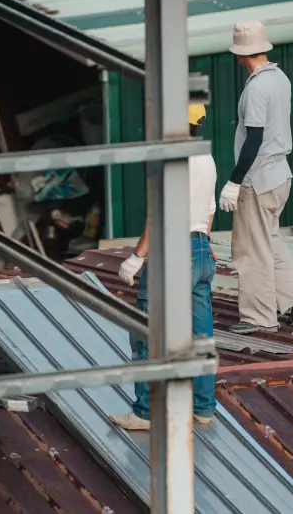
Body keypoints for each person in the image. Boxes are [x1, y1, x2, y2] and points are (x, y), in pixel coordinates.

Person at [110, 103, 218, 430]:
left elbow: (159, 211)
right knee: (200, 334)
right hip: (200, 250)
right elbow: (210, 208)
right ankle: (203, 408)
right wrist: (203, 244)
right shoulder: (206, 157)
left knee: (147, 334)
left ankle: (145, 413)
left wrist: (137, 256)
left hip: (172, 252)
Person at [217, 21, 293, 335]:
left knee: (249, 249)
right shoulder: (279, 78)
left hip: (257, 178)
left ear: (239, 54)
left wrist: (234, 181)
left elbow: (254, 139)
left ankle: (259, 317)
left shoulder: (257, 88)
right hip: (280, 175)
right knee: (270, 241)